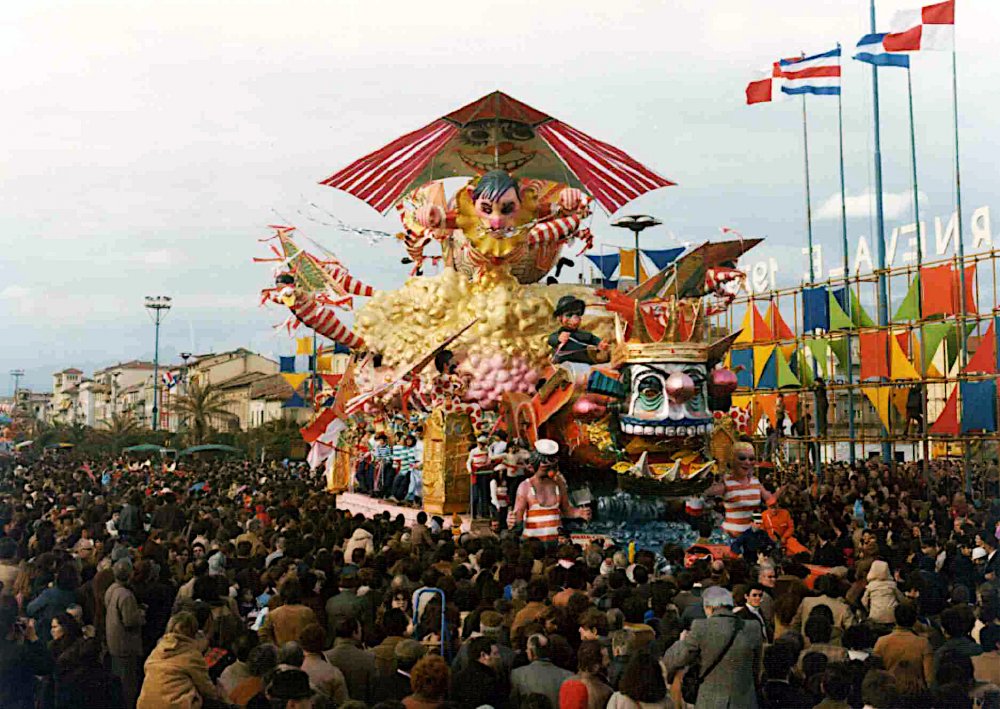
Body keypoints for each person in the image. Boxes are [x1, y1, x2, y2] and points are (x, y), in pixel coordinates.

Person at [662, 585, 762, 709]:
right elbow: (756, 668)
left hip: (711, 701)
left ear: (708, 607)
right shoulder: (753, 627)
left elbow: (677, 659)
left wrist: (681, 641)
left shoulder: (701, 627)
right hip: (745, 701)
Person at [508, 440, 591, 544]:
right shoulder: (525, 486)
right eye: (545, 468)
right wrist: (512, 520)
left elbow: (566, 510)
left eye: (552, 467)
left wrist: (579, 513)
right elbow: (517, 516)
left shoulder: (558, 484)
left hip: (556, 544)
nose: (550, 472)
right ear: (535, 466)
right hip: (533, 545)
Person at [137, 610, 222, 709]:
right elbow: (207, 689)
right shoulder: (191, 654)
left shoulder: (157, 650)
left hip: (146, 704)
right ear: (194, 632)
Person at [703, 442, 779, 538]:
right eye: (742, 458)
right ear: (732, 460)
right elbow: (706, 491)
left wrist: (785, 487)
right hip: (731, 537)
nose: (747, 462)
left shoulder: (755, 482)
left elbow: (771, 500)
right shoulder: (727, 482)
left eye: (751, 459)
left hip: (751, 537)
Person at [106, 558, 146, 708]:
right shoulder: (126, 595)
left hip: (113, 641)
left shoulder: (111, 589)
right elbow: (130, 621)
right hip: (125, 644)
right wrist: (141, 614)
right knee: (128, 684)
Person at [0, 607, 55, 709]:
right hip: (18, 702)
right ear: (12, 627)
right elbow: (47, 666)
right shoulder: (19, 653)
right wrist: (33, 639)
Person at [511, 634, 573, 709]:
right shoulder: (568, 676)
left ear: (531, 653)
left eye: (527, 649)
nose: (526, 651)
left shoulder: (517, 674)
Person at [325, 616, 376, 703]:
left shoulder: (326, 657)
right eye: (360, 629)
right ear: (354, 633)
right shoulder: (368, 657)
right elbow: (373, 689)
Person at [547, 295, 609, 365]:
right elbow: (551, 339)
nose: (575, 319)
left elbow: (593, 339)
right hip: (566, 364)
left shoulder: (584, 334)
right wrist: (558, 338)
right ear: (560, 318)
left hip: (586, 363)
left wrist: (600, 343)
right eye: (569, 315)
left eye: (578, 314)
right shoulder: (559, 334)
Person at [450, 635, 506, 709]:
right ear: (483, 655)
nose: (498, 657)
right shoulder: (491, 681)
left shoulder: (458, 677)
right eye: (495, 653)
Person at [258, 578, 318, 647]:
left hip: (281, 652)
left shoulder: (273, 614)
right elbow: (315, 634)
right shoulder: (307, 612)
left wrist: (274, 648)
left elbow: (263, 634)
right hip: (303, 653)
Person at [564, 639, 613, 709]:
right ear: (596, 666)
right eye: (606, 658)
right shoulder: (605, 692)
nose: (608, 662)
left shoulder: (566, 683)